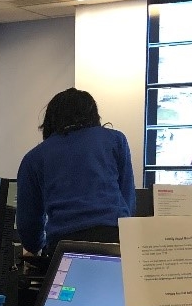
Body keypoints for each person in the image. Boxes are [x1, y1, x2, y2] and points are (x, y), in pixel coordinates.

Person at [16, 87, 136, 257]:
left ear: (50, 119)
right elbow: (127, 197)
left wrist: (36, 247)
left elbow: (28, 223)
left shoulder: (34, 157)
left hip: (64, 245)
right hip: (115, 241)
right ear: (94, 115)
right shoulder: (115, 140)